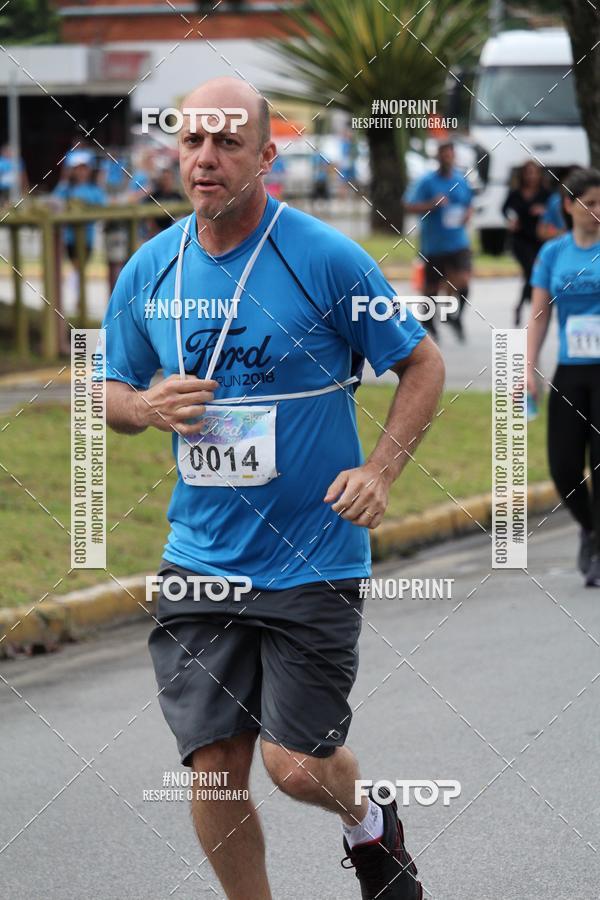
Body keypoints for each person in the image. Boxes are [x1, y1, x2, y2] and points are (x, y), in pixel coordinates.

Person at [103, 76, 444, 900]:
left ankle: (367, 818)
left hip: (313, 554)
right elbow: (107, 390)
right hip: (200, 558)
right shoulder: (151, 269)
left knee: (294, 766)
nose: (206, 158)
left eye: (227, 142)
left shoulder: (325, 258)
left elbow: (422, 362)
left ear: (265, 156)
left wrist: (380, 469)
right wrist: (144, 406)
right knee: (215, 770)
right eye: (193, 141)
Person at [528, 167, 600, 587]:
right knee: (564, 466)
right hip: (571, 371)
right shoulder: (553, 253)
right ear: (569, 206)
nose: (597, 210)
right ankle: (589, 528)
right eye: (590, 203)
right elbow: (539, 315)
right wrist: (528, 366)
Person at [404, 140, 474, 340]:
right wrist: (431, 204)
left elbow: (469, 203)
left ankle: (454, 315)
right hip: (434, 243)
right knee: (432, 287)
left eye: (450, 154)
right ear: (438, 157)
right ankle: (428, 322)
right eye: (443, 155)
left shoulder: (461, 180)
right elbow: (408, 205)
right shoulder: (427, 181)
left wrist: (467, 214)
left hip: (458, 241)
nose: (447, 158)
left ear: (454, 156)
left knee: (463, 280)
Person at [502, 161, 550, 325]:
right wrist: (511, 219)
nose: (531, 176)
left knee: (532, 273)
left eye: (534, 173)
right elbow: (505, 210)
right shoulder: (516, 193)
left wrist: (544, 211)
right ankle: (531, 303)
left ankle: (521, 305)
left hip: (539, 239)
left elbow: (555, 211)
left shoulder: (545, 194)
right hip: (520, 239)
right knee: (530, 270)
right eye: (528, 173)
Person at [53, 149, 106, 266]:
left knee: (82, 265)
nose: (81, 172)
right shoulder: (64, 188)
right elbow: (55, 204)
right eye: (77, 168)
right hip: (69, 238)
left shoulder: (95, 190)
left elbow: (102, 207)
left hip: (88, 238)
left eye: (84, 168)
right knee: (75, 265)